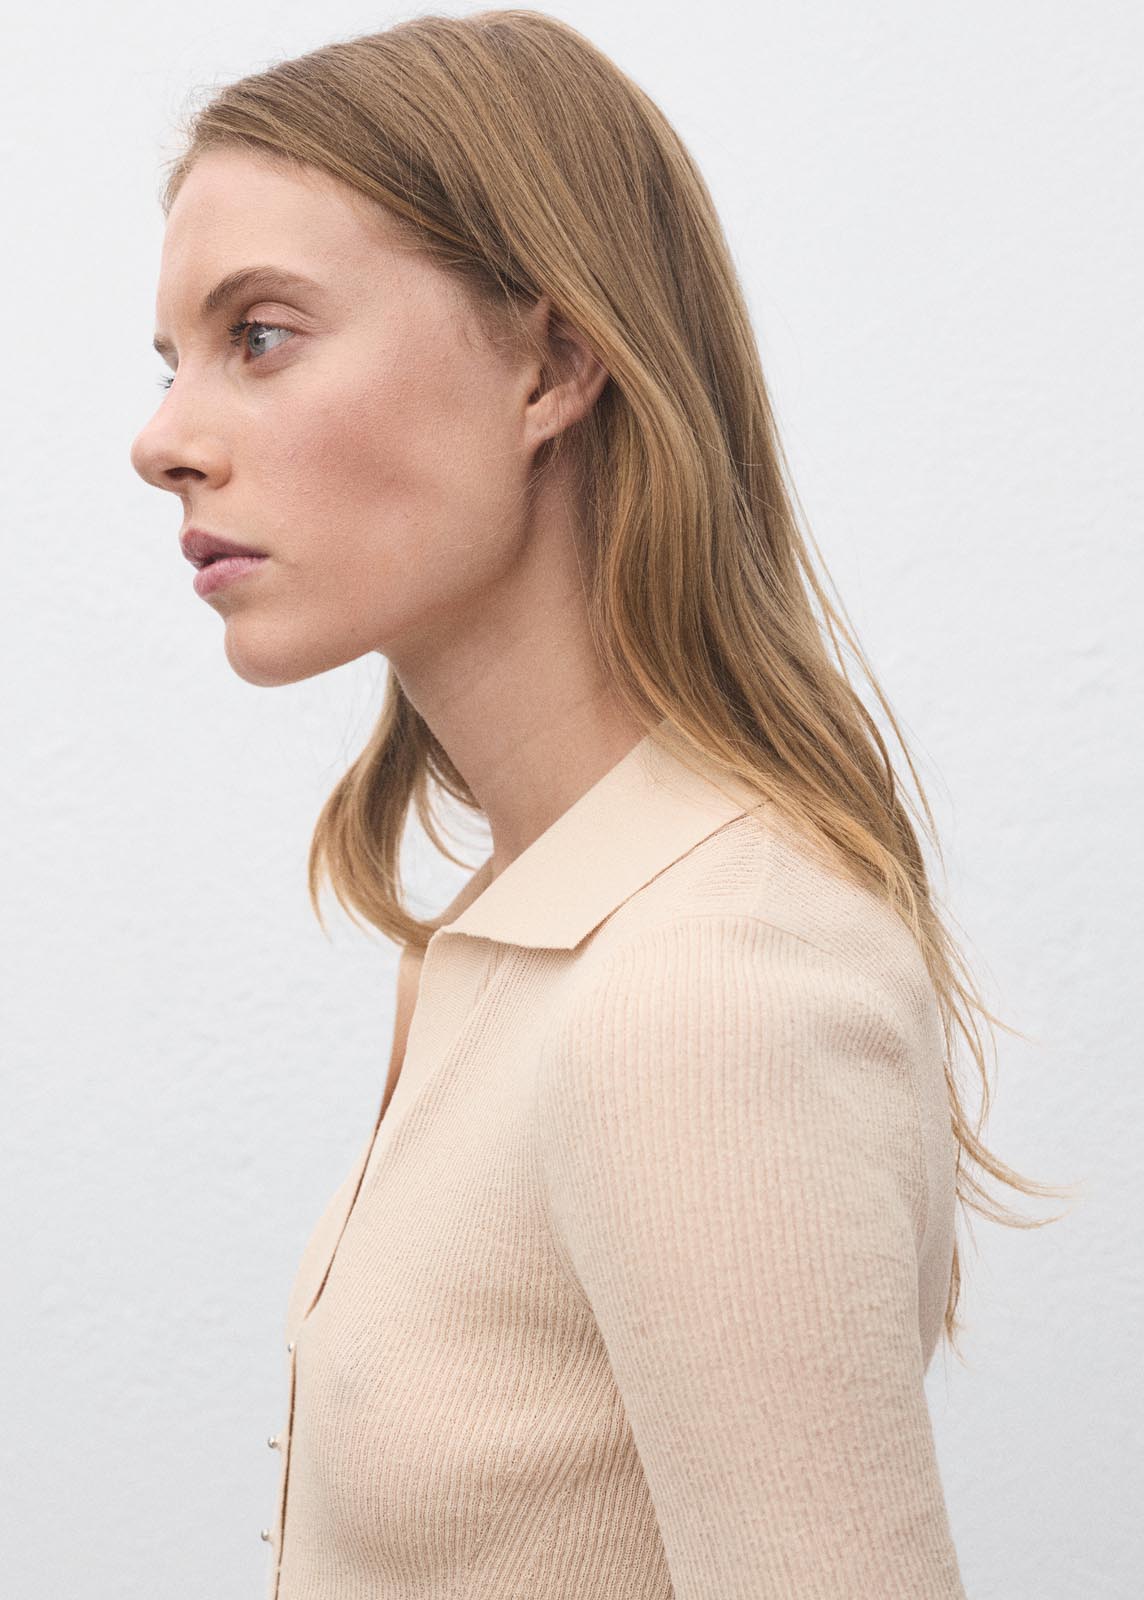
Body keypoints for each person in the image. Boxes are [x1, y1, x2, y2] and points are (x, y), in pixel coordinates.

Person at [131, 11, 1071, 1597]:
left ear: (553, 366)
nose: (162, 441)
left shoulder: (703, 987)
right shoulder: (523, 941)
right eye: (171, 363)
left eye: (263, 335)